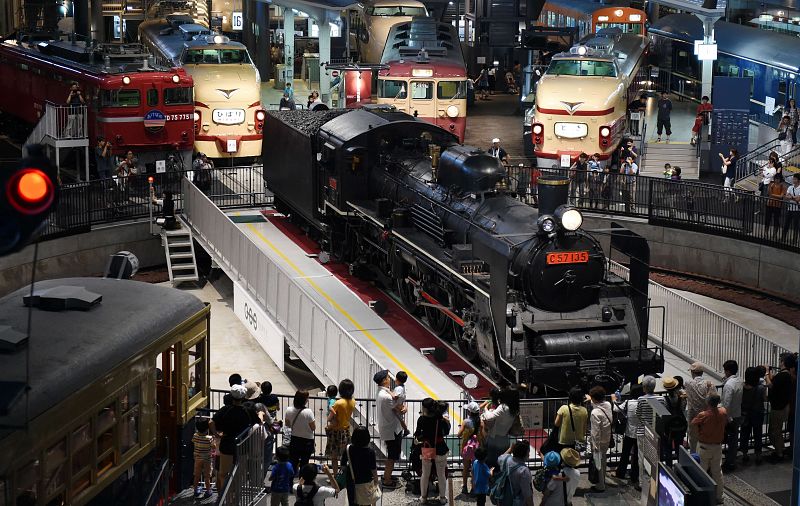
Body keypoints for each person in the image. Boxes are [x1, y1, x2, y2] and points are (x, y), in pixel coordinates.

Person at [212, 384, 257, 491]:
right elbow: (258, 421)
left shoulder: (225, 410)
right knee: (238, 474)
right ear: (243, 397)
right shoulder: (247, 411)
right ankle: (234, 497)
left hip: (226, 444)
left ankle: (224, 497)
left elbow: (211, 422)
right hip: (242, 446)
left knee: (223, 473)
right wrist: (260, 414)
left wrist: (216, 434)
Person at [691, 393, 728, 504]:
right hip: (717, 446)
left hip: (704, 446)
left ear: (708, 402)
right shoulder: (723, 412)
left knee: (702, 472)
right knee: (717, 472)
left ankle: (702, 497)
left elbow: (693, 423)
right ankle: (719, 497)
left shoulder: (703, 415)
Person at [415, 398, 450, 505]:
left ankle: (423, 497)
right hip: (440, 447)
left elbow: (418, 434)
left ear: (425, 408)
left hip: (428, 447)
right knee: (441, 475)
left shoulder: (421, 419)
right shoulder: (441, 419)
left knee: (425, 474)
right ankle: (442, 497)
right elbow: (446, 432)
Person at [636, 376, 667, 491]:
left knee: (642, 458)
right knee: (655, 458)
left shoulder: (641, 399)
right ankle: (655, 481)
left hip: (643, 431)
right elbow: (662, 415)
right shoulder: (661, 399)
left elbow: (638, 414)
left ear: (644, 387)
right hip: (655, 433)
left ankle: (642, 483)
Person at [765, 352, 797, 462]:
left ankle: (779, 453)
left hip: (778, 407)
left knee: (775, 431)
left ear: (783, 362)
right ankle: (780, 450)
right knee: (775, 430)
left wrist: (766, 373)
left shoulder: (783, 375)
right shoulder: (788, 375)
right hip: (783, 406)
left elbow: (770, 385)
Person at [374, 369, 402, 488]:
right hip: (392, 429)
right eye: (388, 377)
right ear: (384, 380)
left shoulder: (381, 393)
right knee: (392, 456)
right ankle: (387, 480)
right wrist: (405, 408)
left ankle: (388, 474)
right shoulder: (386, 397)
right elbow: (399, 409)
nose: (390, 379)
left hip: (388, 427)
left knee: (392, 453)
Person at [340, 426, 379, 506]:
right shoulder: (370, 452)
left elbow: (343, 466)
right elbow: (373, 469)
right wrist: (376, 481)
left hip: (352, 481)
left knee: (353, 501)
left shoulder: (348, 449)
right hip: (366, 481)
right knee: (366, 501)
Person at [613, 385, 642, 490]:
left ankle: (621, 472)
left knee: (625, 454)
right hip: (640, 433)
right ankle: (635, 476)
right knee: (637, 455)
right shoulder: (643, 402)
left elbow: (616, 409)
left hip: (629, 432)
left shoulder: (629, 403)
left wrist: (615, 400)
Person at [326, 379, 356, 478]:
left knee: (334, 457)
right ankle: (343, 476)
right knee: (344, 457)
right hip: (346, 431)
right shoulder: (353, 401)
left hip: (335, 432)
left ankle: (335, 477)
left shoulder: (338, 403)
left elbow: (330, 418)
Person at [481, 387, 518, 467]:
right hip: (505, 438)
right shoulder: (514, 409)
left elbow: (489, 417)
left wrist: (485, 409)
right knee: (502, 464)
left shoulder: (503, 407)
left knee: (491, 463)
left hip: (495, 439)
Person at [685, 362, 717, 452]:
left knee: (693, 440)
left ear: (692, 372)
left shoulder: (688, 383)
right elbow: (715, 398)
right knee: (706, 439)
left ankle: (694, 459)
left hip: (693, 417)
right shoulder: (710, 384)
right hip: (707, 417)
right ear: (702, 372)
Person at [740, 366, 766, 465]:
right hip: (757, 413)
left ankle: (744, 454)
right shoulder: (761, 388)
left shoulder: (742, 387)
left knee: (744, 434)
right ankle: (758, 455)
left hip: (745, 413)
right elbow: (765, 399)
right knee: (758, 434)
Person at [588, 385, 612, 492]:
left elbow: (595, 432)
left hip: (599, 442)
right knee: (603, 460)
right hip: (607, 438)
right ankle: (603, 479)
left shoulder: (595, 413)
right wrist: (592, 399)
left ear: (594, 399)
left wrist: (595, 446)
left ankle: (600, 485)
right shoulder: (607, 405)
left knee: (598, 463)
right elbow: (598, 405)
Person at [285, 390, 316, 473]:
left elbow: (287, 424)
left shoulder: (288, 410)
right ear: (304, 400)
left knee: (293, 461)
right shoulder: (308, 412)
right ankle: (302, 482)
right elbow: (313, 427)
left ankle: (290, 481)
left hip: (295, 439)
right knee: (304, 463)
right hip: (307, 441)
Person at [497, 441, 534, 506]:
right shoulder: (524, 471)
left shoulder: (505, 459)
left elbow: (500, 458)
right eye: (528, 452)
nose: (529, 454)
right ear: (524, 454)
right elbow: (527, 495)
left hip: (502, 498)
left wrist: (510, 449)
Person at [661, 377, 688, 466]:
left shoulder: (664, 400)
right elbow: (683, 409)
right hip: (680, 426)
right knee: (679, 448)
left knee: (668, 449)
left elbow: (663, 414)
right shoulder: (682, 398)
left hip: (668, 428)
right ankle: (680, 468)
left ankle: (669, 468)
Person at [458, 401, 482, 494]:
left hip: (468, 447)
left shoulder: (466, 422)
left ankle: (464, 487)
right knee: (474, 469)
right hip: (477, 447)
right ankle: (473, 488)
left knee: (466, 468)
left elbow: (459, 435)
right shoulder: (481, 421)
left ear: (469, 412)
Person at [192, 418, 214, 498]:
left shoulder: (195, 436)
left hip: (197, 458)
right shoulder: (209, 438)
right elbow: (213, 446)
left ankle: (195, 490)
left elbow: (193, 441)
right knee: (207, 476)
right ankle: (208, 491)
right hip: (207, 459)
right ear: (207, 428)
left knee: (197, 475)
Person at [783, 173, 800, 243]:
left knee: (796, 226)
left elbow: (798, 199)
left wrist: (791, 197)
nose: (793, 180)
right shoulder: (790, 187)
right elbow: (786, 196)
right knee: (786, 224)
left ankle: (794, 240)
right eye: (793, 178)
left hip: (797, 210)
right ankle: (783, 238)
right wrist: (794, 197)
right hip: (790, 208)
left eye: (794, 179)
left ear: (798, 180)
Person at [393, 371, 409, 436]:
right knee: (400, 419)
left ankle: (406, 430)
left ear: (397, 379)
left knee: (399, 419)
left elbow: (395, 397)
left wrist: (389, 392)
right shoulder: (403, 387)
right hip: (400, 405)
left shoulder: (398, 388)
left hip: (397, 406)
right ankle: (405, 430)